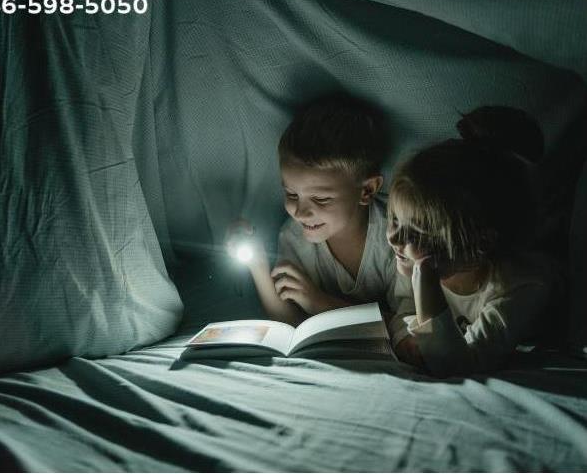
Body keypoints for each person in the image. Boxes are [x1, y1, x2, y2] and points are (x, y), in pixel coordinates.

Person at [227, 93, 412, 348]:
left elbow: (410, 326)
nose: (300, 212)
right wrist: (257, 264)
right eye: (292, 194)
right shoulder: (294, 237)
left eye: (321, 199)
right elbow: (287, 321)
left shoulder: (396, 235)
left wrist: (319, 302)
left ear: (366, 190)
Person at [387, 106, 557, 376]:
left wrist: (426, 281)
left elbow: (458, 367)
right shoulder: (416, 258)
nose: (394, 238)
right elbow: (404, 308)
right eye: (395, 220)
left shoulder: (520, 286)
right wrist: (404, 338)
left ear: (478, 243)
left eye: (416, 231)